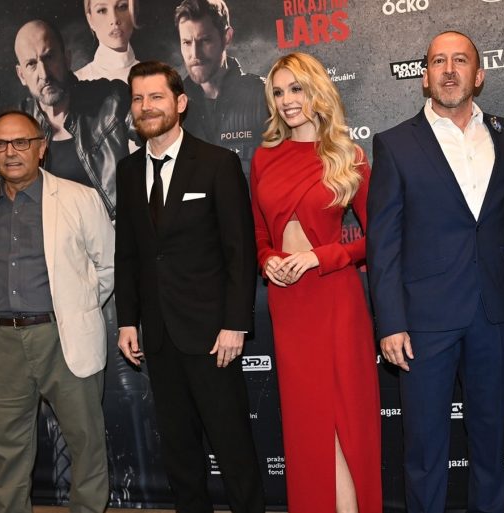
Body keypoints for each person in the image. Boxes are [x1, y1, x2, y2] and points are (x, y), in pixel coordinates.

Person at [367, 31, 504, 513]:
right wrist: (390, 322)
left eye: (460, 60)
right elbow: (383, 242)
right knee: (425, 449)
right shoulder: (394, 144)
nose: (449, 70)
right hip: (424, 322)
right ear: (424, 77)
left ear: (480, 74)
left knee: (491, 443)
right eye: (438, 61)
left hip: (492, 313)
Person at [115, 60, 263, 513]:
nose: (146, 106)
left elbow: (240, 251)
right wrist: (127, 321)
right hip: (159, 337)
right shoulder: (127, 170)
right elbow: (129, 253)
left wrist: (235, 324)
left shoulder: (217, 164)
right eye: (138, 98)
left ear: (180, 103)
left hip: (212, 336)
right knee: (179, 453)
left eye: (156, 97)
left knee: (233, 448)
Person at [250, 52, 381, 513]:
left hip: (334, 299)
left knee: (342, 420)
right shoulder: (264, 158)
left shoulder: (348, 156)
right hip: (288, 304)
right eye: (279, 92)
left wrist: (319, 257)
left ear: (317, 91)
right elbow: (259, 233)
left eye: (296, 89)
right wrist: (268, 260)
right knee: (308, 423)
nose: (287, 100)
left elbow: (378, 239)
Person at [0, 110, 114, 513]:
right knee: (5, 448)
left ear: (41, 148)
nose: (11, 152)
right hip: (3, 343)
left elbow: (108, 266)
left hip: (62, 338)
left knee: (85, 441)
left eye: (21, 142)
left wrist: (75, 308)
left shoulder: (80, 199)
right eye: (0, 144)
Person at [14, 19, 133, 219]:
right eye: (31, 64)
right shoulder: (17, 125)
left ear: (67, 59)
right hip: (56, 236)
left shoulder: (111, 100)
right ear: (21, 75)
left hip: (115, 232)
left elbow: (161, 135)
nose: (44, 74)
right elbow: (0, 195)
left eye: (49, 57)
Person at [174, 0, 266, 176]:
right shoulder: (174, 106)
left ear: (227, 37)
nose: (195, 54)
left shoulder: (263, 95)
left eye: (205, 40)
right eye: (186, 42)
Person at [75, 0, 140, 82]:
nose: (114, 19)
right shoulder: (78, 81)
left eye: (122, 7)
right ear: (90, 20)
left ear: (134, 12)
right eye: (102, 10)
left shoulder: (154, 76)